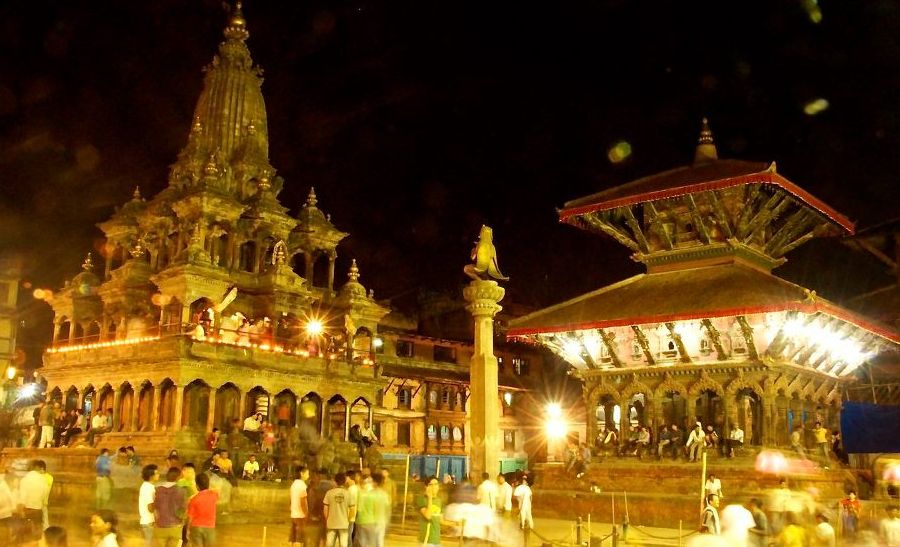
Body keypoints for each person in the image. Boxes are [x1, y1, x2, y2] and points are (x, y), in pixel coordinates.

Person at [19, 459, 51, 542]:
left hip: (27, 509)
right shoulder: (43, 479)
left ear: (32, 467)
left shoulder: (25, 479)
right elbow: (45, 494)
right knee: (37, 531)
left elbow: (23, 497)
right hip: (38, 509)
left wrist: (21, 511)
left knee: (27, 532)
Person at [154, 467, 186, 547]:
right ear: (178, 477)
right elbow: (183, 509)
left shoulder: (158, 490)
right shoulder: (182, 491)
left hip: (160, 526)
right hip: (175, 527)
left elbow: (155, 508)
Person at [356, 473, 390, 547]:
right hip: (380, 521)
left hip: (372, 521)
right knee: (378, 542)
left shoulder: (369, 494)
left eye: (371, 481)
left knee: (367, 543)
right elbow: (387, 509)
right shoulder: (384, 494)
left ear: (375, 482)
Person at [187, 472, 218, 546]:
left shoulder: (193, 499)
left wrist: (188, 530)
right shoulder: (214, 495)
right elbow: (216, 490)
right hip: (210, 527)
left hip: (196, 527)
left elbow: (190, 517)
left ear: (197, 486)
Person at [324, 472, 354, 547]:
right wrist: (348, 520)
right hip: (344, 524)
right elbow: (352, 510)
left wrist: (327, 520)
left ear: (335, 481)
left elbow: (325, 509)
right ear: (344, 482)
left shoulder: (329, 493)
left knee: (329, 545)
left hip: (331, 524)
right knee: (343, 545)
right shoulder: (348, 493)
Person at [417, 476, 443, 547]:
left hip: (436, 540)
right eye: (431, 485)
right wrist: (430, 497)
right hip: (426, 540)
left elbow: (441, 520)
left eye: (436, 484)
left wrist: (456, 523)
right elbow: (428, 516)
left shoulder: (439, 501)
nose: (434, 487)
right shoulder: (422, 499)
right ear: (426, 486)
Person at [138, 464, 159, 547]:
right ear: (151, 476)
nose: (158, 475)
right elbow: (150, 507)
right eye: (156, 473)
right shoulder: (148, 488)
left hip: (147, 521)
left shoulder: (148, 486)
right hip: (148, 522)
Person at [289, 466, 309, 547]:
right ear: (301, 473)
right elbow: (303, 501)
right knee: (300, 538)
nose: (308, 475)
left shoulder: (293, 484)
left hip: (293, 514)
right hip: (301, 515)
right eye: (307, 473)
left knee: (293, 537)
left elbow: (290, 500)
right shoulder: (302, 486)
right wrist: (306, 513)